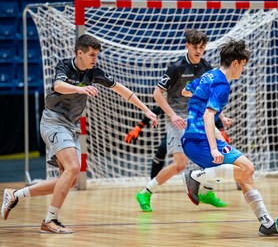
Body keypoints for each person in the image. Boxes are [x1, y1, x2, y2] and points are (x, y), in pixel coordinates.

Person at [1, 34, 157, 233]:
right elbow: (58, 86)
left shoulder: (94, 72)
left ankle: (15, 195)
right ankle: (49, 221)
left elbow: (121, 90)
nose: (95, 59)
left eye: (97, 55)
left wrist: (146, 110)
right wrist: (80, 89)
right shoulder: (65, 66)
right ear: (79, 53)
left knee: (68, 180)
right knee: (74, 167)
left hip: (71, 126)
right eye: (92, 54)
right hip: (54, 122)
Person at [181, 38, 278, 236]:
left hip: (194, 137)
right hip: (199, 140)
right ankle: (195, 176)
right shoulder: (222, 86)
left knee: (246, 172)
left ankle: (266, 223)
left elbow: (185, 91)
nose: (242, 70)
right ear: (235, 63)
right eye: (242, 65)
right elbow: (209, 116)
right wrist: (214, 148)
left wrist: (204, 104)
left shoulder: (209, 75)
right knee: (247, 168)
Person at [136, 29, 231, 212]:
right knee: (180, 164)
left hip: (200, 118)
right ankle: (145, 193)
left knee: (222, 153)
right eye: (195, 47)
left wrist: (222, 116)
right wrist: (172, 115)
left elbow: (211, 96)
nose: (198, 51)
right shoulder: (176, 67)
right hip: (178, 118)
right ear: (187, 45)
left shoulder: (207, 68)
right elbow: (157, 93)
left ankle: (206, 191)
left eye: (202, 47)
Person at [125, 106, 231, 179]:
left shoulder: (199, 98)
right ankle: (152, 182)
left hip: (197, 132)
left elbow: (211, 114)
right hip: (178, 130)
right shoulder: (175, 102)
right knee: (163, 152)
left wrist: (221, 130)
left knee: (222, 151)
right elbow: (157, 110)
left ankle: (238, 180)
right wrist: (139, 127)